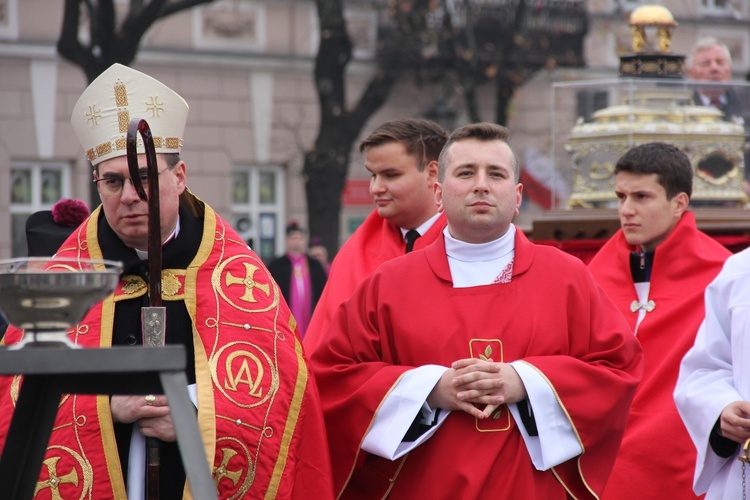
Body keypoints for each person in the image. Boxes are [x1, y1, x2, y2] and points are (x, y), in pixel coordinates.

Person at [0, 63, 333, 499]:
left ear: (178, 178)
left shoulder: (234, 273)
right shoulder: (69, 277)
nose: (130, 196)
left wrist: (195, 412)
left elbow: (283, 391)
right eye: (113, 181)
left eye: (144, 178)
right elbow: (18, 398)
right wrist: (106, 407)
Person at [309, 122, 644, 499]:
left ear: (517, 196)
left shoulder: (568, 278)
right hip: (423, 486)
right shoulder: (388, 284)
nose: (480, 185)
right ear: (438, 192)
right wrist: (431, 389)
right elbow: (332, 378)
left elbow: (619, 369)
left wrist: (526, 382)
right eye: (466, 173)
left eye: (496, 174)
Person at [588, 142, 731, 499]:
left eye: (641, 197)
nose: (626, 210)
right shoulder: (590, 276)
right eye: (620, 197)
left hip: (685, 460)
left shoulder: (726, 277)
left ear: (679, 203)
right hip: (606, 460)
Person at [302, 118, 448, 352]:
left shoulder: (468, 242)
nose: (375, 188)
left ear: (432, 173)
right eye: (373, 175)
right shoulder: (354, 252)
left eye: (391, 175)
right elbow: (324, 350)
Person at [687, 36, 750, 191]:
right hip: (699, 195)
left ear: (729, 69)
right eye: (705, 64)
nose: (714, 68)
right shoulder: (683, 111)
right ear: (691, 73)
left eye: (720, 62)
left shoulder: (747, 103)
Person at [267, 221, 327, 338]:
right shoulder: (277, 265)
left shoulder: (314, 264)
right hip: (287, 311)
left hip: (310, 311)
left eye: (300, 238)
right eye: (294, 238)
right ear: (287, 240)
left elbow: (323, 288)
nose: (297, 241)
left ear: (304, 240)